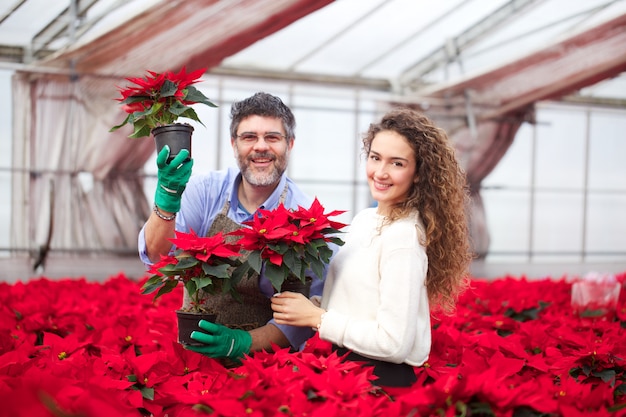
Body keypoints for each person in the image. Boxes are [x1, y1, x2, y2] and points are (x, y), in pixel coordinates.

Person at [270, 107, 473, 388]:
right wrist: (310, 306)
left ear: (418, 173)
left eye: (397, 163)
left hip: (382, 381)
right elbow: (359, 300)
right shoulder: (366, 219)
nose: (380, 172)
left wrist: (318, 318)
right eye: (375, 158)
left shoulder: (404, 237)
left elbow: (394, 343)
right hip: (347, 369)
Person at [138, 92, 326, 362]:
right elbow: (159, 257)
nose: (260, 146)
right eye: (249, 137)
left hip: (262, 366)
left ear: (290, 144)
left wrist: (243, 342)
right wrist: (167, 199)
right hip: (193, 359)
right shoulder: (205, 191)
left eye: (272, 137)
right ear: (233, 144)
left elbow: (303, 317)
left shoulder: (304, 218)